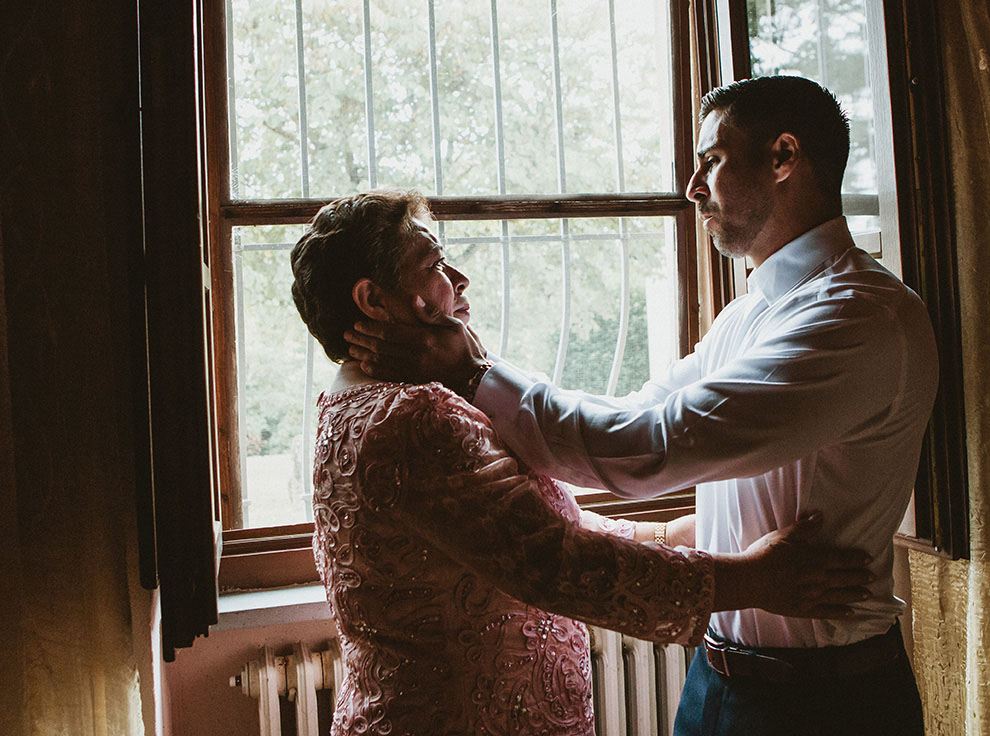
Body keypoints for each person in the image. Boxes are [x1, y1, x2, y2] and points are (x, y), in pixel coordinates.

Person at [344, 76, 940, 735]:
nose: (692, 187)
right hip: (716, 680)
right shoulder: (750, 315)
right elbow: (633, 417)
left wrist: (473, 371)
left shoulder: (857, 319)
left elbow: (648, 448)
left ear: (783, 157)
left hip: (826, 704)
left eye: (710, 160)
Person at [290, 188, 875, 736]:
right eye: (435, 265)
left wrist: (675, 533)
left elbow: (516, 529)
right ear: (373, 299)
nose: (460, 278)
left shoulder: (348, 405)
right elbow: (554, 563)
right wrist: (757, 579)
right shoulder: (415, 416)